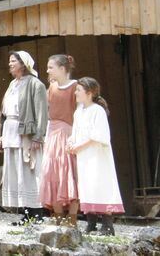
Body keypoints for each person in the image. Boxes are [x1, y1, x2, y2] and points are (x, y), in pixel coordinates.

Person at [68, 77, 124, 235]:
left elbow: (99, 136)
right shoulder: (79, 111)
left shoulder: (97, 111)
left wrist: (79, 145)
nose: (76, 93)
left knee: (101, 184)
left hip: (97, 156)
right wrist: (71, 142)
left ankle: (107, 224)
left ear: (89, 92)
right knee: (86, 186)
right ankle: (91, 222)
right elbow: (76, 132)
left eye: (79, 90)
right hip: (84, 156)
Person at [0, 51, 48, 225]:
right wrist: (0, 135)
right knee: (17, 172)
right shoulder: (13, 84)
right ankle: (27, 213)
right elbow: (4, 112)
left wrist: (38, 136)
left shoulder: (35, 84)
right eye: (9, 61)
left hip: (26, 133)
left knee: (29, 171)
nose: (10, 64)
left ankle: (37, 213)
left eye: (13, 61)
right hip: (10, 131)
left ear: (23, 63)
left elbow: (42, 113)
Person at [40, 54, 79, 227]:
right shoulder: (52, 87)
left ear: (62, 69)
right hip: (52, 133)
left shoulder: (75, 86)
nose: (48, 70)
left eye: (51, 67)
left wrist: (75, 136)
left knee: (68, 173)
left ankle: (72, 218)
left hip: (67, 133)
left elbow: (78, 114)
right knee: (51, 173)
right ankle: (57, 216)